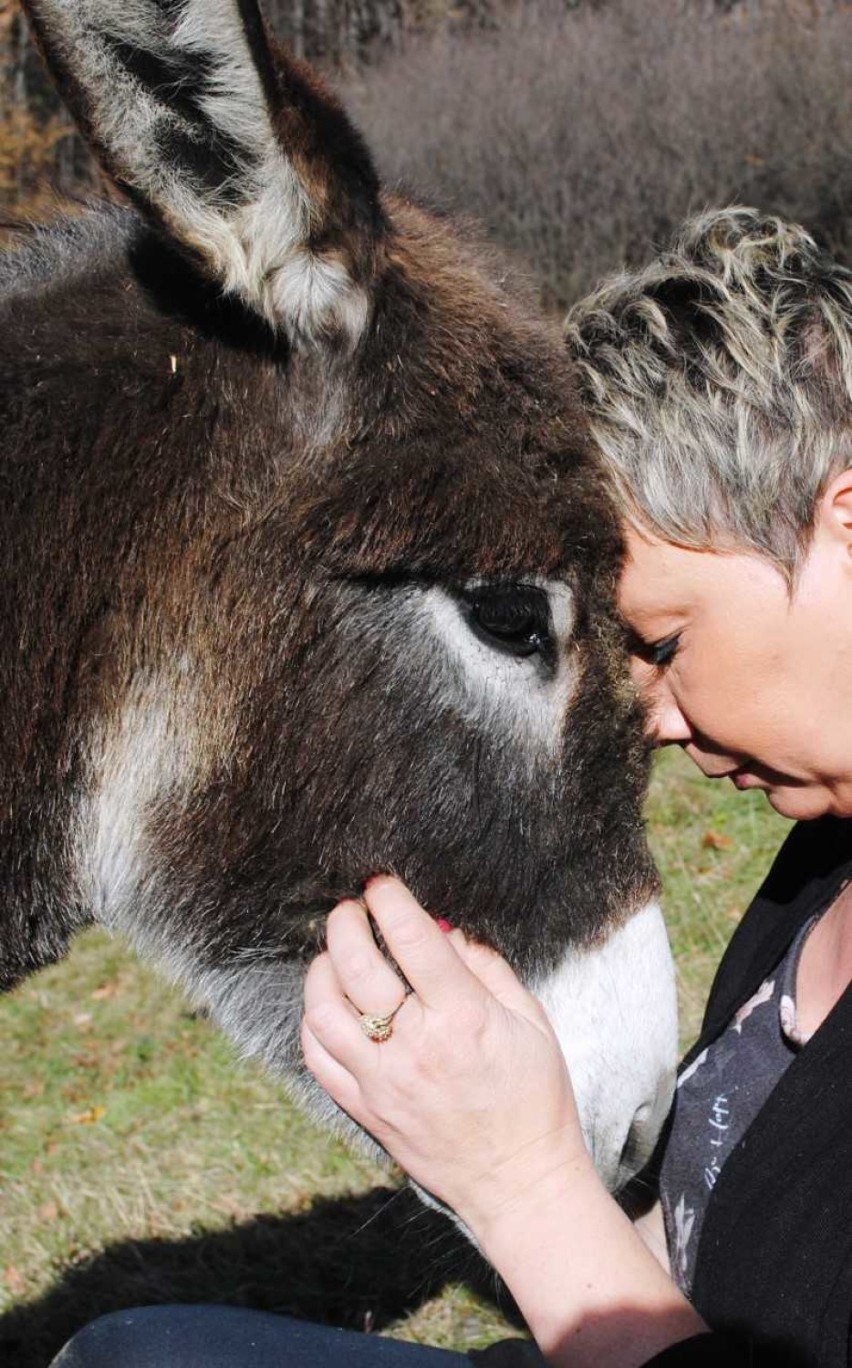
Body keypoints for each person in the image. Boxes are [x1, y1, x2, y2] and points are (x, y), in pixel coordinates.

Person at [52, 208, 852, 1368]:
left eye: (666, 644)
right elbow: (715, 1235)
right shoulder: (816, 873)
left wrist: (521, 1184)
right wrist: (479, 1107)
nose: (656, 724)